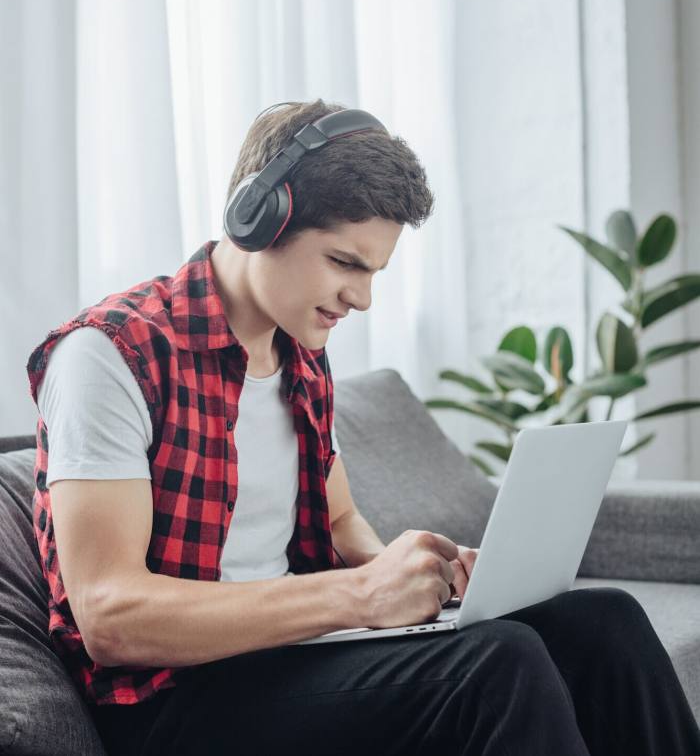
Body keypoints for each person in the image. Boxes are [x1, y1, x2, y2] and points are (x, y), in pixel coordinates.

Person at [27, 99, 700, 756]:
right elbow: (110, 617)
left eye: (374, 272)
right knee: (499, 665)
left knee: (603, 621)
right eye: (345, 263)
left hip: (290, 661)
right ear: (258, 220)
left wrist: (418, 575)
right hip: (174, 700)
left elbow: (342, 522)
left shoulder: (300, 352)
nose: (363, 298)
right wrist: (357, 597)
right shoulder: (110, 354)